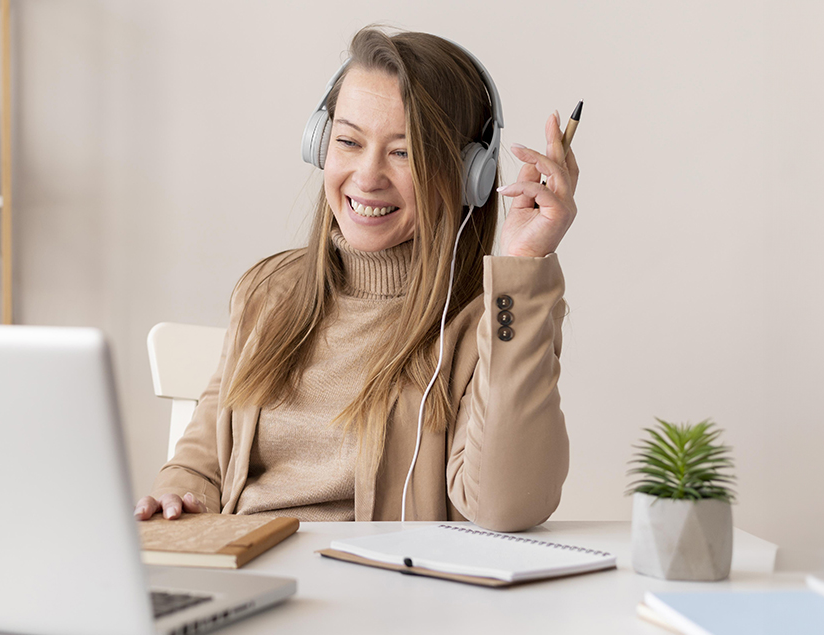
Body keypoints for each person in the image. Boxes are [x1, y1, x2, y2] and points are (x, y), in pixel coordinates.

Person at [134, 26, 577, 532]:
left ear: (467, 175)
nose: (367, 177)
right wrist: (178, 491)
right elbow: (203, 456)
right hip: (252, 574)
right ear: (319, 144)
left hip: (381, 598)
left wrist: (522, 263)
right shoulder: (267, 293)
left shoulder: (492, 321)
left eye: (404, 152)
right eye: (347, 140)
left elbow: (507, 506)